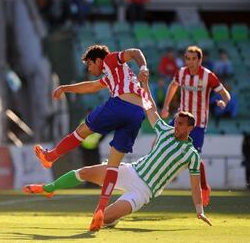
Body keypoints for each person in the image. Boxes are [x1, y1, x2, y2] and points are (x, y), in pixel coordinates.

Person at [24, 77, 212, 231]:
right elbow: (151, 109)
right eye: (175, 122)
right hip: (131, 171)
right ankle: (49, 188)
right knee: (84, 172)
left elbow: (195, 187)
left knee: (101, 220)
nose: (175, 126)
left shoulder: (192, 154)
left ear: (190, 127)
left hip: (143, 191)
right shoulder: (165, 131)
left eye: (180, 124)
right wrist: (145, 84)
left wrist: (199, 210)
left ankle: (112, 219)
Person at [34, 44, 150, 229]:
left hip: (120, 105)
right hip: (137, 114)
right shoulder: (113, 75)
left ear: (98, 60)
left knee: (82, 131)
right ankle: (101, 210)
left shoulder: (111, 59)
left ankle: (51, 156)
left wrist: (143, 67)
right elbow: (91, 86)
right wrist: (65, 88)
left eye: (89, 64)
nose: (89, 68)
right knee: (112, 166)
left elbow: (135, 52)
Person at [161, 45, 231, 206]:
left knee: (195, 157)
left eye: (193, 58)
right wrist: (165, 106)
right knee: (162, 140)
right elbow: (173, 86)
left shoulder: (208, 76)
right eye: (188, 58)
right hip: (180, 118)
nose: (190, 61)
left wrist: (224, 102)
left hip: (198, 122)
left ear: (199, 60)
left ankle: (204, 186)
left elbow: (225, 93)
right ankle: (165, 175)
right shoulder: (181, 73)